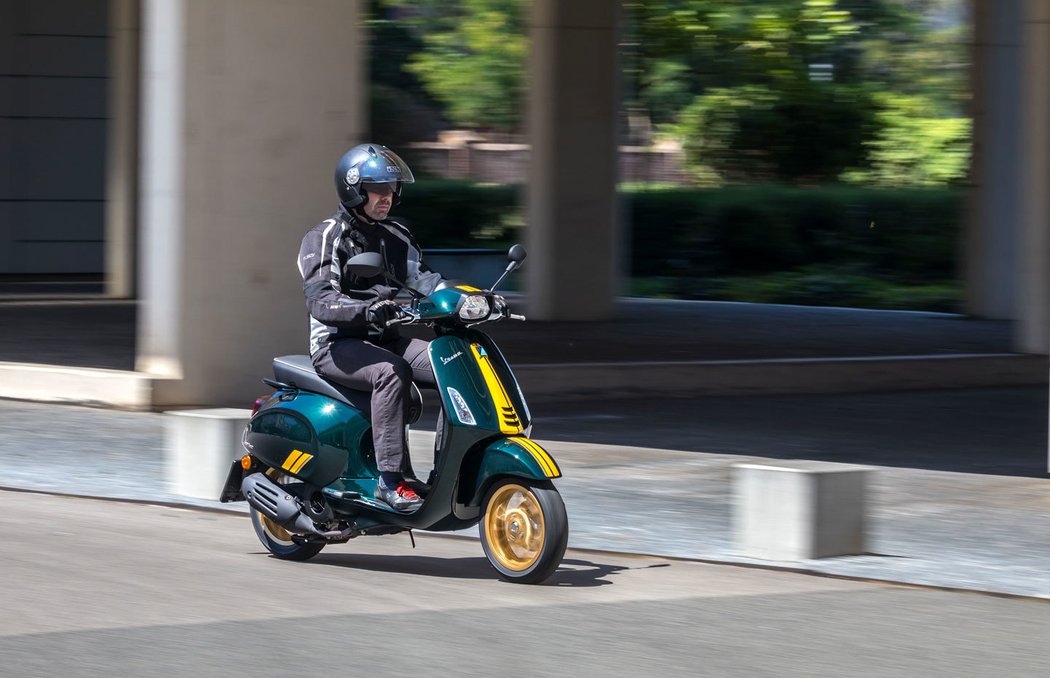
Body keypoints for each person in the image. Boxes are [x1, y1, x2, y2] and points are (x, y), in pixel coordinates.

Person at [297, 144, 443, 512]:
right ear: (354, 189)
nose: (388, 196)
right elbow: (320, 299)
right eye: (378, 188)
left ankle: (449, 471)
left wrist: (471, 300)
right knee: (391, 373)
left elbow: (426, 281)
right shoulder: (326, 236)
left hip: (387, 337)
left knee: (452, 361)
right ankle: (390, 481)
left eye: (392, 188)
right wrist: (367, 310)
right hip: (338, 345)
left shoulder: (397, 235)